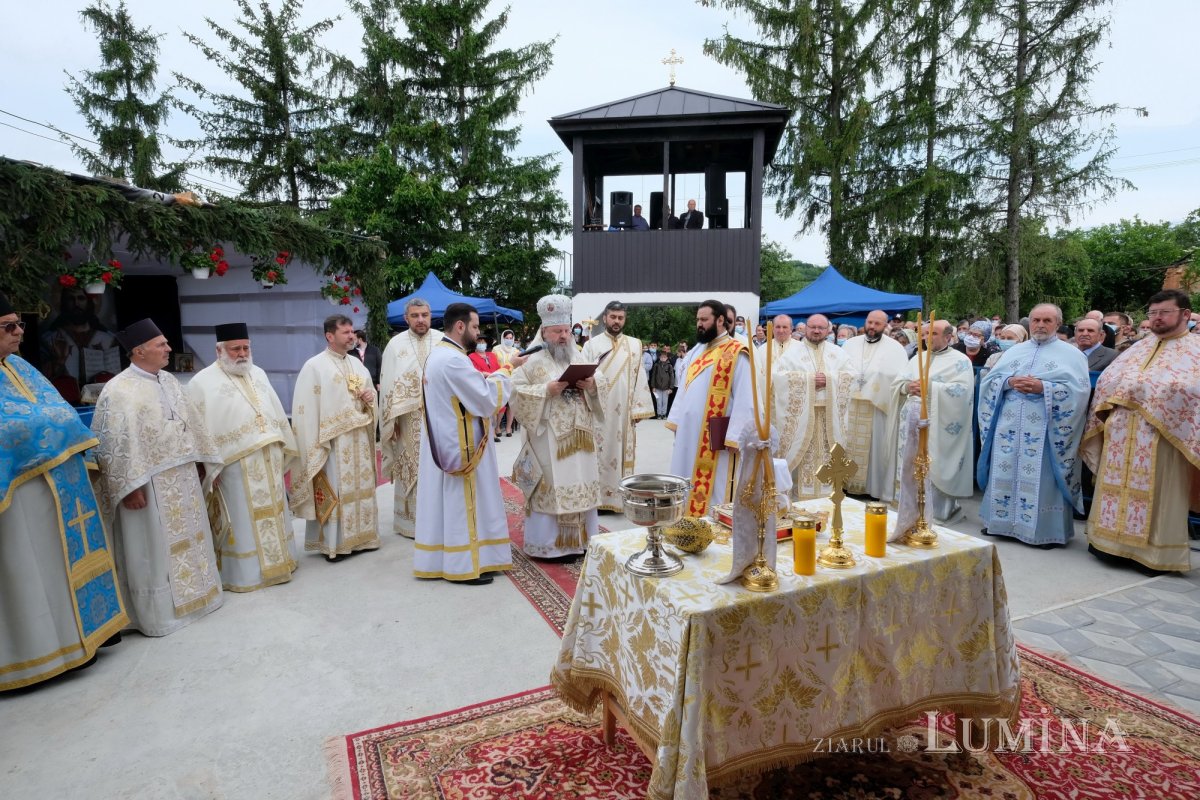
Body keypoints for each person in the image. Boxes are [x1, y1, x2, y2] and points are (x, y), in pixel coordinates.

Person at [1, 292, 126, 690]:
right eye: (9, 327)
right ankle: (38, 654)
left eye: (19, 324)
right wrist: (50, 433)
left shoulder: (19, 365)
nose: (20, 332)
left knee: (56, 568)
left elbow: (57, 411)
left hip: (57, 488)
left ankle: (78, 642)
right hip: (19, 500)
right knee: (29, 571)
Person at [91, 318, 223, 636]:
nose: (168, 349)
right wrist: (127, 488)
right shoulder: (118, 391)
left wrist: (203, 461)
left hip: (183, 478)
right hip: (147, 486)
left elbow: (192, 424)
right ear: (139, 351)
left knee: (191, 540)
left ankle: (201, 597)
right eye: (160, 344)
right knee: (153, 548)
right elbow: (113, 446)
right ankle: (159, 615)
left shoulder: (169, 381)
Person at [1083, 289, 1200, 572]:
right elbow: (1110, 380)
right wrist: (1121, 393)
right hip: (1121, 433)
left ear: (1185, 315)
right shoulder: (1138, 347)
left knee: (1160, 493)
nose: (1157, 319)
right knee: (1116, 488)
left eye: (1164, 312)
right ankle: (1108, 545)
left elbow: (1192, 391)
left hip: (1165, 436)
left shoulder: (1196, 350)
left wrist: (1148, 394)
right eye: (1153, 313)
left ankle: (1155, 556)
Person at [415, 303, 526, 584]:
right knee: (462, 504)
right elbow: (485, 399)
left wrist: (482, 377)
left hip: (446, 439)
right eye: (475, 327)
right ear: (461, 326)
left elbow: (462, 390)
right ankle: (462, 566)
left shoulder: (438, 354)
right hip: (461, 446)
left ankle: (474, 557)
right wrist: (507, 369)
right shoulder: (453, 359)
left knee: (450, 503)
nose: (478, 334)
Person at [186, 323, 298, 592]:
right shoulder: (201, 382)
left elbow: (274, 410)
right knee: (242, 518)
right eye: (235, 348)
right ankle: (247, 574)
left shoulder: (257, 372)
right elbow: (197, 427)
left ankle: (282, 561)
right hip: (233, 464)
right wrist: (206, 463)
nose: (242, 353)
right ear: (219, 350)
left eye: (246, 347)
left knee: (275, 511)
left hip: (268, 456)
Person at [977, 304, 1091, 547]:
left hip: (1047, 431)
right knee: (1005, 470)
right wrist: (1007, 381)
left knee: (1043, 477)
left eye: (1047, 320)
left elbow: (1079, 392)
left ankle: (1044, 532)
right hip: (1008, 426)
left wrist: (1044, 388)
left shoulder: (1072, 355)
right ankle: (999, 523)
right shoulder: (1014, 351)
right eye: (1036, 320)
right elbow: (990, 381)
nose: (1040, 325)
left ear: (1058, 324)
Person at [510, 295, 607, 559]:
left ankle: (580, 542)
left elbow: (601, 380)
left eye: (566, 330)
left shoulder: (579, 353)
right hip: (548, 439)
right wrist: (546, 390)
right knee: (551, 484)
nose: (564, 336)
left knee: (580, 481)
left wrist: (593, 385)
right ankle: (549, 546)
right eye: (557, 332)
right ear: (544, 332)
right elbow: (515, 393)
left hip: (580, 436)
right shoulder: (529, 359)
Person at [290, 315, 380, 561]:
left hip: (359, 439)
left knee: (360, 488)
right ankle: (335, 544)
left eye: (352, 332)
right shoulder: (314, 366)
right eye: (345, 332)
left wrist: (370, 399)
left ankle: (362, 538)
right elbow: (305, 408)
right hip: (333, 443)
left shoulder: (356, 364)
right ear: (330, 336)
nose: (351, 336)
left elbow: (370, 392)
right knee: (337, 490)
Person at [666, 300, 754, 516]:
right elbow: (684, 388)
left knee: (715, 487)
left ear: (721, 320)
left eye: (704, 320)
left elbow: (746, 396)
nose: (699, 324)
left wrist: (735, 436)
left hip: (715, 437)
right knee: (684, 478)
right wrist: (676, 421)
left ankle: (712, 528)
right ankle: (685, 523)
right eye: (698, 319)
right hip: (688, 433)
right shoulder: (698, 351)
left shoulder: (737, 352)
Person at [881, 320, 974, 521]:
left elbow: (963, 392)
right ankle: (907, 508)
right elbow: (899, 382)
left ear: (948, 337)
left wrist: (931, 387)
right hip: (911, 420)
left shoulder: (960, 361)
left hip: (939, 422)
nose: (926, 338)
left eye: (933, 333)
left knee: (932, 462)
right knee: (909, 461)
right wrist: (907, 388)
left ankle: (935, 512)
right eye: (924, 334)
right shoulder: (917, 358)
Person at [379, 299, 444, 538]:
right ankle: (411, 522)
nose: (420, 320)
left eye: (424, 315)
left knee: (439, 466)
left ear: (431, 316)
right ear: (406, 318)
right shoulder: (395, 345)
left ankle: (438, 520)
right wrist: (390, 421)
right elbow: (386, 386)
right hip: (407, 419)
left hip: (439, 417)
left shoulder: (441, 341)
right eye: (415, 315)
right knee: (411, 465)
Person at [581, 301, 654, 511]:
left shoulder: (634, 344)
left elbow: (640, 376)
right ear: (605, 318)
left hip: (623, 413)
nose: (616, 321)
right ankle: (598, 500)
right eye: (613, 317)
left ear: (625, 319)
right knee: (599, 454)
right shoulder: (591, 346)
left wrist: (639, 408)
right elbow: (584, 376)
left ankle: (619, 499)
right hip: (598, 411)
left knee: (620, 453)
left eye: (620, 318)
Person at [771, 313, 851, 499]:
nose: (816, 331)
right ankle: (798, 499)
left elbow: (851, 376)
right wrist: (808, 380)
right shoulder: (791, 354)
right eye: (812, 327)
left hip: (828, 419)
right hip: (803, 419)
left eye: (821, 328)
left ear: (828, 330)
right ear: (805, 328)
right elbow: (779, 378)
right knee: (802, 455)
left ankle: (828, 498)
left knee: (827, 457)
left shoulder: (838, 353)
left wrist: (830, 380)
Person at [841, 310, 909, 498]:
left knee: (875, 450)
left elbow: (899, 379)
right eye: (870, 322)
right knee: (847, 445)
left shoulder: (895, 349)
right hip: (851, 406)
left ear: (885, 324)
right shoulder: (849, 344)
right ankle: (844, 484)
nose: (872, 327)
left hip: (877, 408)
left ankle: (873, 488)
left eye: (877, 324)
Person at [493, 329, 521, 436]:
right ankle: (497, 427)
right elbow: (494, 364)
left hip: (513, 380)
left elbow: (519, 366)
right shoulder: (496, 349)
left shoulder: (516, 351)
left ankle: (508, 427)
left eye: (510, 338)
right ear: (502, 338)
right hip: (500, 378)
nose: (509, 340)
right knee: (501, 405)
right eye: (506, 338)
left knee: (511, 405)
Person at [649, 348, 675, 419]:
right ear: (659, 357)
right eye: (662, 357)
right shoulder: (656, 365)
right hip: (657, 387)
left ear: (667, 358)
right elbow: (653, 376)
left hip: (666, 387)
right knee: (659, 402)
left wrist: (671, 387)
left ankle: (664, 414)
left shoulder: (669, 366)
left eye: (664, 357)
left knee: (665, 402)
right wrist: (653, 386)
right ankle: (659, 414)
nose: (663, 358)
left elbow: (672, 377)